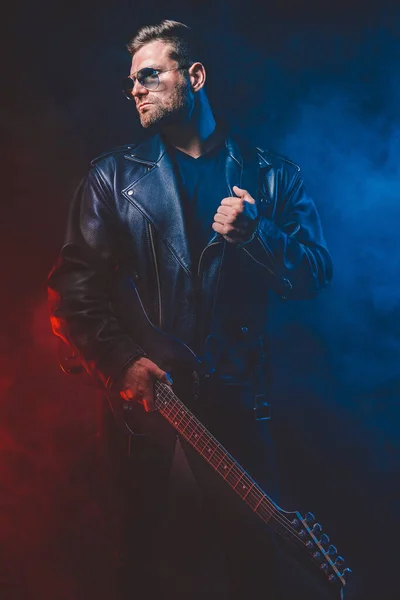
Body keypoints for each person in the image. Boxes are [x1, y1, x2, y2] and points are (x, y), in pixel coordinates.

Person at [48, 19, 333, 600]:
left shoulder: (272, 177)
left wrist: (256, 234)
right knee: (136, 568)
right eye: (131, 81)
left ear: (195, 75)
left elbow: (314, 276)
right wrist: (119, 361)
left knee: (257, 572)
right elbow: (73, 292)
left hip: (235, 411)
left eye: (149, 75)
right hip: (144, 415)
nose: (136, 89)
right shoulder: (114, 177)